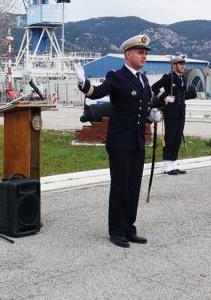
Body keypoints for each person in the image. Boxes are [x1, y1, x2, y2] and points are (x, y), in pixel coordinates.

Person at [73, 35, 161, 248]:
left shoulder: (143, 79)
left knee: (133, 186)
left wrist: (151, 114)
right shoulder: (117, 76)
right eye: (140, 52)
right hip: (120, 141)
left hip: (137, 141)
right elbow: (97, 93)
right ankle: (116, 231)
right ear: (128, 54)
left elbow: (142, 107)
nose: (144, 56)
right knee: (120, 186)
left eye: (146, 52)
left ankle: (129, 228)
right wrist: (83, 83)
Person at [152, 55, 188, 175]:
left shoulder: (184, 77)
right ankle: (167, 165)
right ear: (174, 65)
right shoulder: (168, 77)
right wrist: (165, 97)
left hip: (181, 111)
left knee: (177, 138)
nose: (183, 66)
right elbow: (154, 87)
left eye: (184, 63)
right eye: (180, 64)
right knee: (170, 137)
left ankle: (174, 163)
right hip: (171, 111)